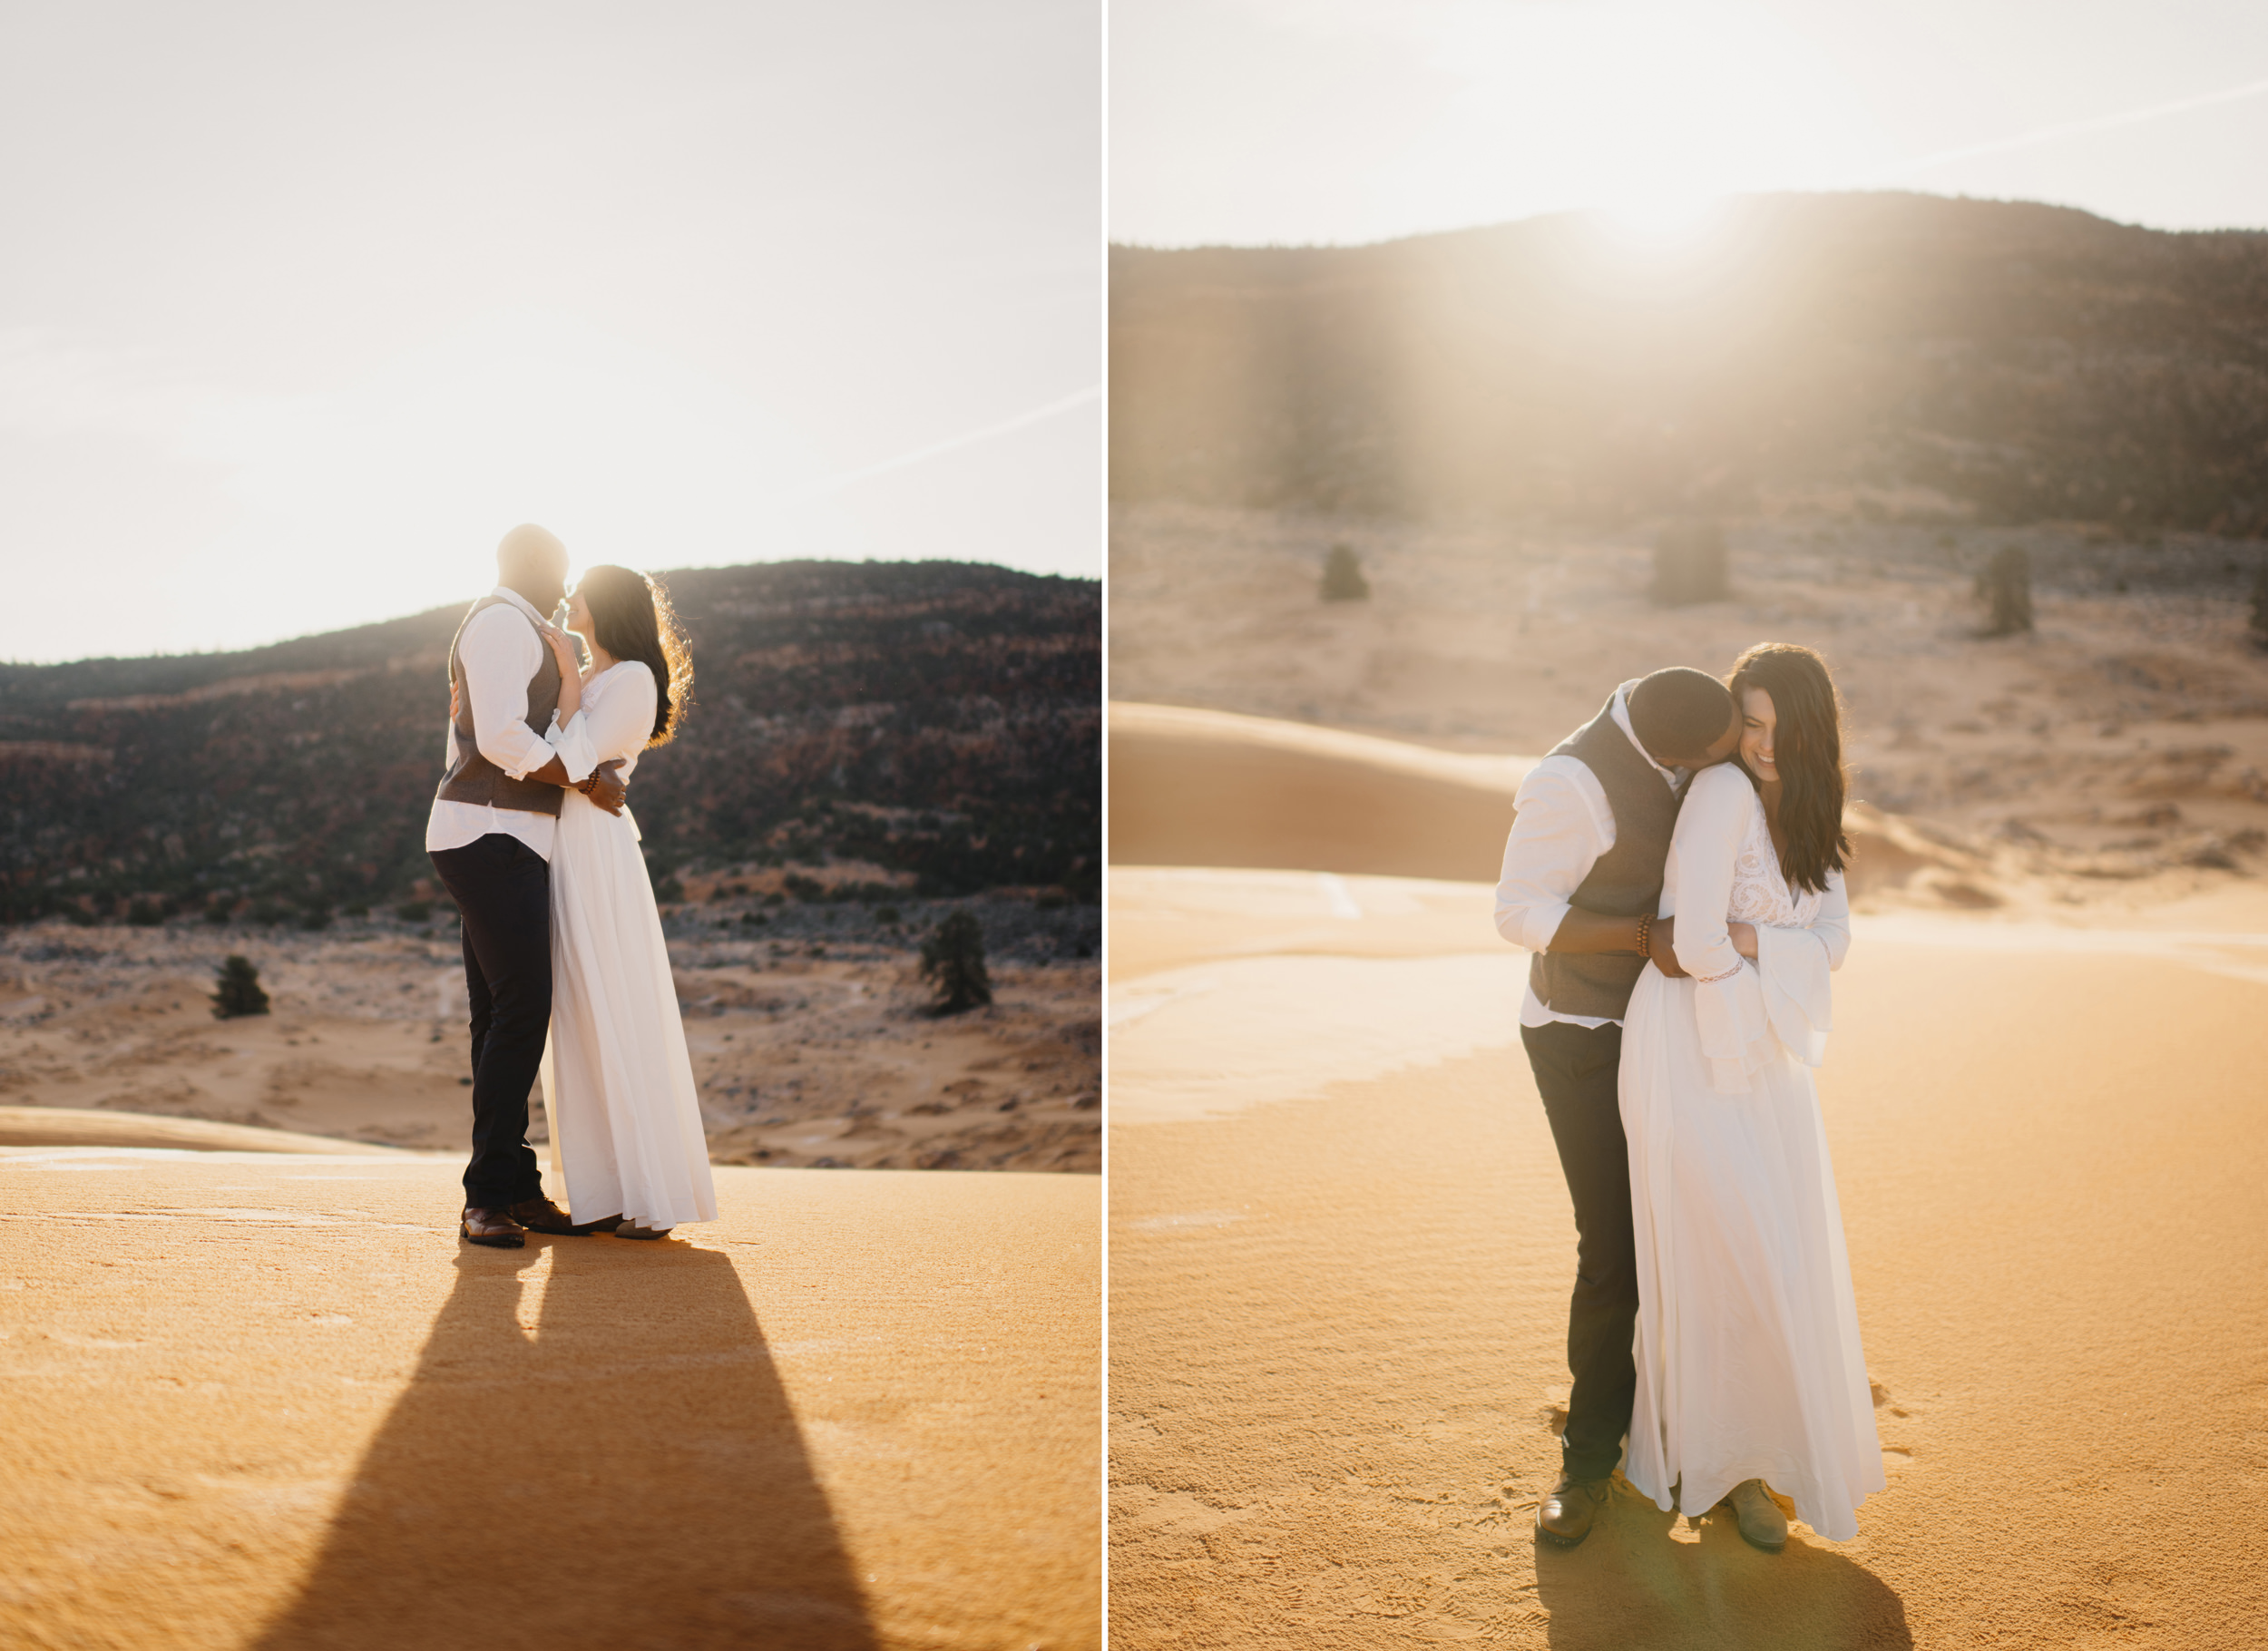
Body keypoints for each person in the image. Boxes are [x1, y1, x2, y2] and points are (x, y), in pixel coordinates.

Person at [1618, 641, 1882, 1548]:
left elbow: (1836, 937)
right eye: (1750, 724)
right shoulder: (1721, 793)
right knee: (1726, 1251)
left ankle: (1760, 1449)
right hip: (1690, 1045)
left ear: (1812, 729)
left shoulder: (1813, 806)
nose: (1761, 744)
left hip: (1765, 1058)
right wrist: (1759, 971)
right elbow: (1694, 938)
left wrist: (1759, 948)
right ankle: (1718, 1466)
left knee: (1778, 1251)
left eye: (1778, 726)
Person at [1494, 668, 1743, 1548]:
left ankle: (1706, 1450)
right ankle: (1589, 1459)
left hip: (1670, 1025)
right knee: (1613, 1247)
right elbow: (1518, 912)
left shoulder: (1683, 717)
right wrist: (1643, 937)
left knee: (1693, 1231)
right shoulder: (1569, 784)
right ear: (1669, 752)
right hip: (1581, 1030)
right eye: (1703, 763)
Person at [425, 523, 628, 1249]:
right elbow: (502, 739)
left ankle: (514, 1187)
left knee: (498, 1019)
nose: (569, 593)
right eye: (564, 574)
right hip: (489, 834)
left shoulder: (515, 624)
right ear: (543, 568)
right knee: (521, 1013)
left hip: (498, 836)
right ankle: (486, 1198)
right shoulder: (504, 623)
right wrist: (584, 775)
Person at [531, 563, 716, 1239]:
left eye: (580, 590)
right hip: (566, 846)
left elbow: (568, 755)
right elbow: (565, 762)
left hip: (597, 857)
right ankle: (602, 1193)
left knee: (613, 1005)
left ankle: (649, 1196)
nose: (568, 597)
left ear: (605, 607)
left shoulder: (634, 677)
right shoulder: (600, 678)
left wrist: (570, 684)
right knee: (579, 1017)